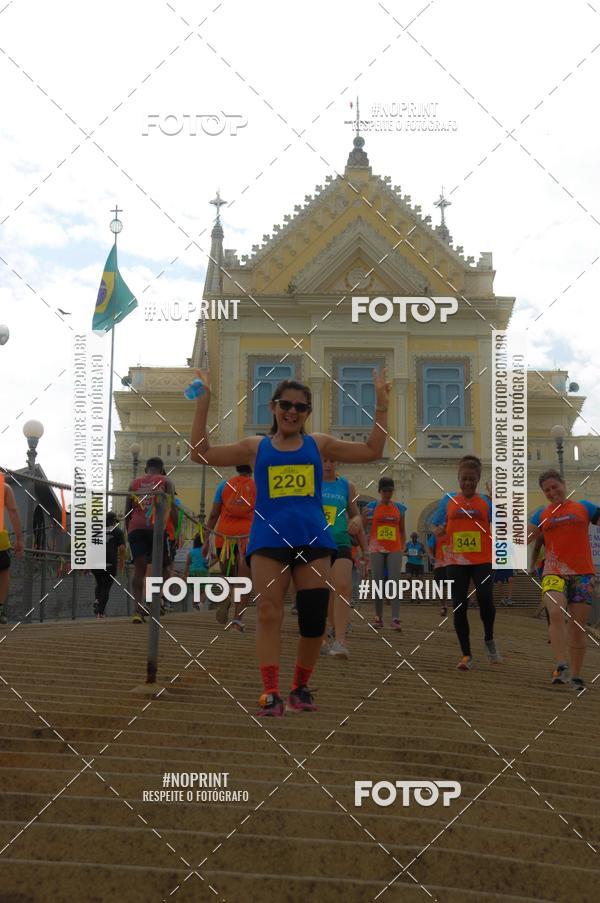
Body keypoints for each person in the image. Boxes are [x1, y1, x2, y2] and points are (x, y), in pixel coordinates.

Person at [191, 367, 391, 716]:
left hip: (314, 539)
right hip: (268, 540)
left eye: (301, 407)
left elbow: (373, 450)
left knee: (313, 618)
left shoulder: (319, 444)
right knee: (269, 611)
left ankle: (300, 687)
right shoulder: (257, 448)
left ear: (307, 413)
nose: (293, 412)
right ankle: (270, 691)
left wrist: (382, 405)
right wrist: (202, 403)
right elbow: (200, 453)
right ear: (273, 407)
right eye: (287, 404)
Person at [528, 468, 600, 690]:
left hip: (582, 575)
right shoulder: (541, 514)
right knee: (556, 612)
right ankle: (561, 665)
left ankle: (576, 676)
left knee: (577, 629)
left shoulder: (584, 508)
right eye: (547, 490)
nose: (552, 492)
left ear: (564, 484)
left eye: (554, 487)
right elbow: (525, 538)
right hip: (553, 572)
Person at [432, 455, 501, 669]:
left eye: (472, 479)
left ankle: (489, 639)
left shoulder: (486, 501)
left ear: (478, 479)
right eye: (464, 479)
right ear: (458, 478)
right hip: (456, 560)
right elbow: (436, 524)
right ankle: (466, 655)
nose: (468, 483)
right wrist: (439, 530)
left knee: (485, 597)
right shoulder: (449, 500)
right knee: (459, 604)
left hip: (482, 559)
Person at [124, 457, 178, 624]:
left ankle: (137, 611)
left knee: (139, 570)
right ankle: (156, 602)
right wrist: (175, 531)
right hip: (156, 530)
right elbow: (173, 508)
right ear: (161, 470)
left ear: (146, 469)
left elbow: (127, 512)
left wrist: (129, 532)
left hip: (136, 529)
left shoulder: (134, 483)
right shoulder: (166, 481)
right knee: (162, 567)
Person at [203, 465, 255, 632]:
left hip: (224, 539)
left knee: (228, 576)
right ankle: (237, 620)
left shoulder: (224, 486)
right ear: (252, 469)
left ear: (237, 468)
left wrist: (205, 539)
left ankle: (226, 597)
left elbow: (213, 515)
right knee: (244, 580)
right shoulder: (258, 487)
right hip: (247, 539)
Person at [321, 459, 363, 659]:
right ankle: (321, 638)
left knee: (343, 586)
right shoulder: (310, 483)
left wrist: (356, 520)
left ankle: (339, 641)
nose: (328, 465)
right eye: (323, 461)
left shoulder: (347, 486)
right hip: (316, 543)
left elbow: (356, 515)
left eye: (331, 461)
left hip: (341, 541)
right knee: (322, 591)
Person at [363, 478, 406, 630]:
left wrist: (403, 546)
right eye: (385, 491)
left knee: (394, 582)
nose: (388, 494)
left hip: (394, 548)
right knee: (378, 583)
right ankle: (378, 617)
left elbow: (401, 529)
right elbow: (363, 526)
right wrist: (363, 517)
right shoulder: (372, 507)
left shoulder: (400, 508)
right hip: (376, 548)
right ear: (380, 491)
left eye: (390, 491)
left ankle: (395, 618)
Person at [91, 511, 126, 619]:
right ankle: (99, 612)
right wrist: (121, 564)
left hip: (95, 562)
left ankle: (97, 600)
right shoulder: (118, 531)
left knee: (99, 583)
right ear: (114, 521)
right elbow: (122, 549)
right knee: (106, 587)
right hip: (109, 562)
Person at [0, 474, 24, 625]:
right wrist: (19, 539)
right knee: (3, 570)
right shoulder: (5, 487)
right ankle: (0, 608)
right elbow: (13, 512)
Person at [184, 533, 210, 609]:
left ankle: (194, 609)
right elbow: (216, 557)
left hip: (192, 572)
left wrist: (185, 575)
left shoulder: (191, 552)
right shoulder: (205, 551)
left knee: (195, 593)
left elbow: (187, 564)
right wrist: (209, 565)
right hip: (203, 572)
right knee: (203, 592)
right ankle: (200, 605)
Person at [428, 528, 449, 616]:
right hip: (439, 564)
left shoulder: (453, 531)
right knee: (440, 586)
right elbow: (430, 547)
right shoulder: (435, 535)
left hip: (453, 563)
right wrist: (431, 556)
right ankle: (443, 605)